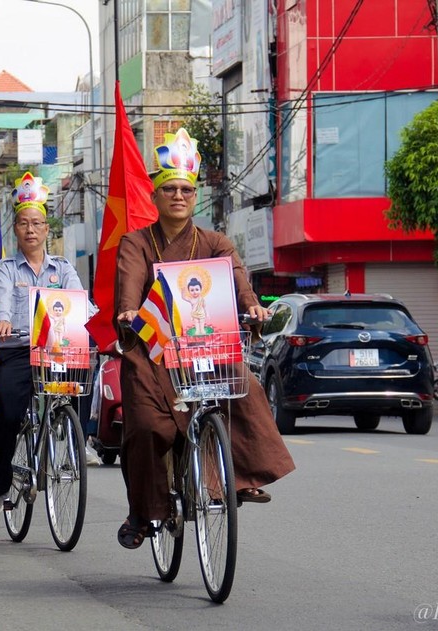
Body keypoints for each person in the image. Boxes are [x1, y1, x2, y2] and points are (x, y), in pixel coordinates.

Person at [113, 128, 296, 549]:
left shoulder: (215, 242)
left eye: (186, 190)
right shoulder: (136, 243)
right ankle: (144, 511)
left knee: (246, 386)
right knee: (145, 427)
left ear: (195, 197)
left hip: (205, 348)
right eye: (170, 189)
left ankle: (240, 478)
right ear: (156, 197)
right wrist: (128, 311)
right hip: (154, 350)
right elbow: (130, 283)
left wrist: (252, 306)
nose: (179, 196)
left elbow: (236, 278)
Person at [0, 172, 85, 514]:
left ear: (46, 229)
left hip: (56, 350)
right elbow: (1, 301)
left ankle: (75, 439)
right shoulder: (6, 269)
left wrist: (96, 321)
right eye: (24, 223)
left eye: (37, 223)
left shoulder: (64, 267)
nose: (30, 229)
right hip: (17, 351)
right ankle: (2, 478)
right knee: (9, 415)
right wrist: (4, 320)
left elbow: (78, 300)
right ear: (16, 228)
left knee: (81, 382)